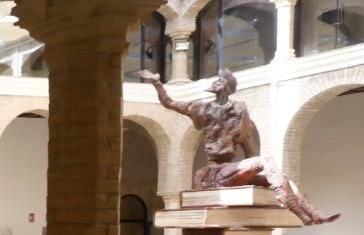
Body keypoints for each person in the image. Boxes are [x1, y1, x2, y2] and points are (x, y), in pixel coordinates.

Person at [139, 66, 337, 225]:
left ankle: (310, 213)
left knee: (282, 177)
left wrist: (262, 174)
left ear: (226, 86)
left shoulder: (238, 111)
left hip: (230, 171)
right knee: (266, 162)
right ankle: (297, 209)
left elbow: (247, 145)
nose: (214, 82)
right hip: (215, 173)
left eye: (219, 80)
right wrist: (157, 83)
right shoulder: (202, 108)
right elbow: (169, 102)